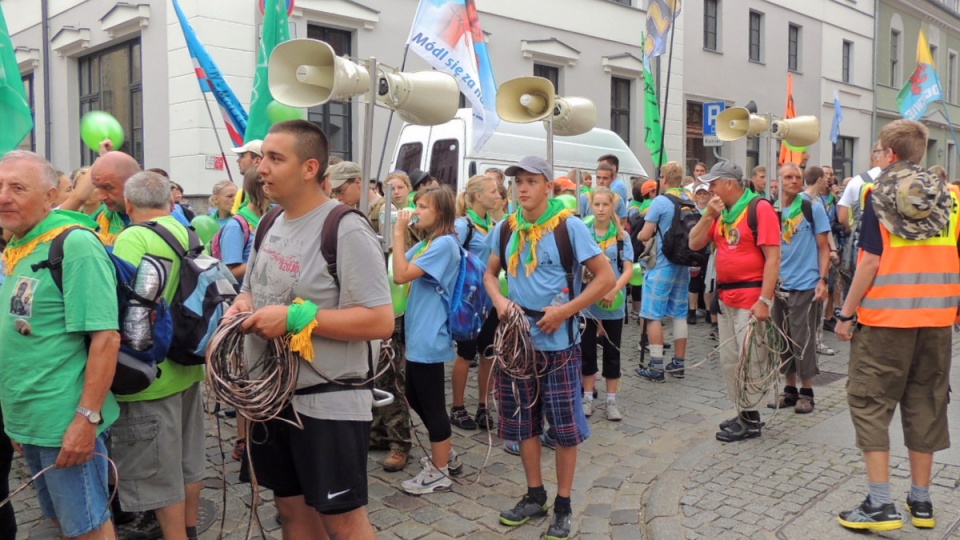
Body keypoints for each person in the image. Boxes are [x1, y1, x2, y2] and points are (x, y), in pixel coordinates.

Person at [228, 120, 393, 539]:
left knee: (342, 522)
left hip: (327, 404)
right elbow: (250, 289)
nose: (260, 167)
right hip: (270, 400)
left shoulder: (345, 227)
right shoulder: (268, 223)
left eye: (274, 158)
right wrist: (242, 306)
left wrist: (294, 317)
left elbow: (379, 320)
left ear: (309, 168)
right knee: (290, 510)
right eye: (262, 156)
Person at [834, 119, 959, 532]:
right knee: (926, 403)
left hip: (886, 319)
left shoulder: (877, 194)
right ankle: (921, 503)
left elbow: (869, 261)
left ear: (889, 154)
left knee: (870, 403)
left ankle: (880, 503)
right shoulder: (953, 199)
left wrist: (846, 313)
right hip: (937, 322)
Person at [484, 155, 614, 540]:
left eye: (530, 181)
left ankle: (563, 504)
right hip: (519, 343)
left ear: (547, 187)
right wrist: (500, 302)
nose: (521, 188)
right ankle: (534, 495)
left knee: (564, 429)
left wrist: (565, 311)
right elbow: (489, 274)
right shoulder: (507, 228)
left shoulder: (569, 227)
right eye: (517, 182)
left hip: (560, 344)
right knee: (523, 422)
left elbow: (605, 277)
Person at [0, 151, 120, 540]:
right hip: (30, 421)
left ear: (51, 197)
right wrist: (14, 421)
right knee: (64, 523)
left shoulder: (75, 245)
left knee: (89, 528)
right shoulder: (19, 245)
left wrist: (86, 420)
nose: (3, 196)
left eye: (17, 188)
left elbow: (106, 337)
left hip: (64, 423)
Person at [109, 171, 206, 540]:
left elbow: (126, 303)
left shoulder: (133, 236)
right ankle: (191, 529)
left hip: (152, 373)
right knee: (189, 460)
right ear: (169, 200)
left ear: (129, 204)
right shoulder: (189, 231)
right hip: (189, 364)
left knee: (160, 472)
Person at [689, 160, 780, 442]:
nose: (710, 189)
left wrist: (765, 299)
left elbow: (773, 257)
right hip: (726, 297)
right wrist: (707, 216)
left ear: (730, 183)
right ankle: (743, 411)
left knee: (750, 358)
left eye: (714, 184)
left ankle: (751, 419)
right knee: (730, 360)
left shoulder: (759, 209)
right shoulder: (722, 213)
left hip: (751, 297)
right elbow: (694, 244)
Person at [392, 186, 464, 494]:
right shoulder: (428, 242)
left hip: (430, 335)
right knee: (413, 394)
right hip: (419, 331)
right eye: (416, 204)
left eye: (424, 207)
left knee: (433, 404)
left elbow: (400, 273)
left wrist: (398, 230)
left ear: (442, 213)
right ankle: (444, 450)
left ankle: (440, 470)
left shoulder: (444, 244)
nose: (416, 210)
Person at [766, 164, 831, 415]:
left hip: (805, 284)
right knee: (783, 339)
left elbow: (824, 248)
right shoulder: (771, 211)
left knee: (802, 341)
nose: (794, 181)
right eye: (788, 177)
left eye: (797, 177)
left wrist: (822, 280)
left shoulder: (811, 208)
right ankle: (789, 390)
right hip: (779, 285)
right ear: (778, 181)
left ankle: (807, 392)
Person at [450, 175, 502, 431]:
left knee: (489, 352)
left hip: (489, 300)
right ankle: (457, 407)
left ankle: (483, 405)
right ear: (478, 196)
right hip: (469, 302)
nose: (498, 195)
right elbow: (449, 257)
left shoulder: (491, 223)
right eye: (493, 191)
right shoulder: (463, 225)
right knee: (465, 353)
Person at [635, 161, 692, 383]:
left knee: (652, 314)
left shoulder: (661, 201)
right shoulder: (689, 200)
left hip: (661, 263)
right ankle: (679, 362)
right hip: (682, 263)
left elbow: (646, 234)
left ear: (664, 179)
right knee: (679, 313)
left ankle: (656, 366)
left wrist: (640, 236)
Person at [581, 187, 633, 422]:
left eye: (605, 205)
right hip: (587, 304)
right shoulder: (584, 233)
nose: (601, 209)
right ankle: (588, 397)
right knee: (587, 351)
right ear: (591, 206)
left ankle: (611, 400)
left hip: (613, 303)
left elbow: (628, 269)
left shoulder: (621, 237)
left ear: (613, 207)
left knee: (612, 353)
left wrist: (613, 289)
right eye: (597, 204)